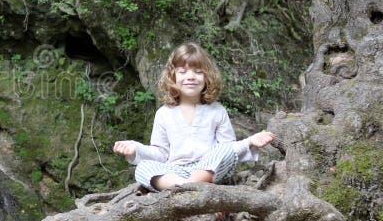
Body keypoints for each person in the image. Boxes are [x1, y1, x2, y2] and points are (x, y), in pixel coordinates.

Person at [113, 42, 275, 191]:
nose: (190, 77)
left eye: (198, 72)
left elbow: (228, 150)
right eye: (182, 71)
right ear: (172, 76)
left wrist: (249, 142)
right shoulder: (164, 113)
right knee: (143, 168)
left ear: (207, 77)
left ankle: (191, 188)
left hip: (210, 170)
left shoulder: (217, 111)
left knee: (223, 150)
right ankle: (190, 188)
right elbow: (160, 154)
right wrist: (135, 149)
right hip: (175, 172)